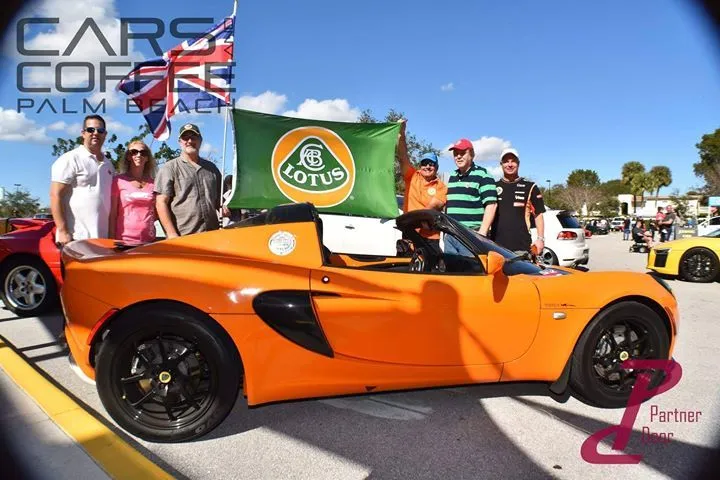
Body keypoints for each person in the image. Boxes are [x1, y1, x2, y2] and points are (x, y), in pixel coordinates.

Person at [50, 114, 115, 245]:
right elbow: (55, 195)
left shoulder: (109, 165)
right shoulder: (70, 159)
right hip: (75, 238)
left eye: (100, 130)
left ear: (105, 134)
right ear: (83, 133)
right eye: (91, 130)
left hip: (102, 240)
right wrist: (63, 231)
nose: (95, 133)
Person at [154, 123, 222, 238]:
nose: (189, 141)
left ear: (200, 140)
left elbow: (220, 200)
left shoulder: (212, 169)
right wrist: (171, 233)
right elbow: (161, 203)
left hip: (212, 234)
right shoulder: (169, 168)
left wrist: (223, 206)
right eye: (185, 138)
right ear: (180, 142)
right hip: (183, 236)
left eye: (193, 137)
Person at [396, 122, 448, 248]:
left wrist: (417, 220)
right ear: (420, 166)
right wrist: (401, 133)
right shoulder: (412, 176)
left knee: (428, 267)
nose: (428, 166)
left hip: (430, 237)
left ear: (436, 168)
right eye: (424, 163)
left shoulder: (441, 187)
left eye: (431, 164)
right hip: (409, 234)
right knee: (406, 265)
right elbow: (403, 157)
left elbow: (432, 206)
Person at [445, 138, 498, 256]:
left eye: (462, 153)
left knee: (471, 272)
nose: (458, 157)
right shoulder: (452, 176)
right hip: (451, 236)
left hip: (471, 236)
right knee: (452, 272)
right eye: (455, 154)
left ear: (472, 155)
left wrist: (482, 233)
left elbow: (492, 204)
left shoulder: (483, 175)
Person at [490, 148, 545, 257]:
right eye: (506, 161)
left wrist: (540, 239)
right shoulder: (493, 187)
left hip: (521, 248)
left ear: (518, 164)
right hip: (495, 248)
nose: (509, 164)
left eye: (513, 161)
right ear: (501, 164)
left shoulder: (530, 187)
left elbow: (538, 215)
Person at [109, 141, 158, 244]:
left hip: (149, 241)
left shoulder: (154, 183)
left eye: (143, 152)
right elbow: (112, 215)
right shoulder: (118, 181)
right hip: (123, 241)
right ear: (128, 156)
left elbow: (157, 212)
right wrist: (111, 242)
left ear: (147, 158)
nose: (139, 155)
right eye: (134, 152)